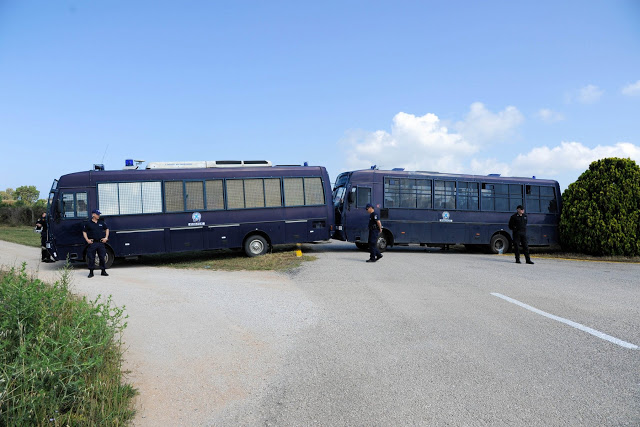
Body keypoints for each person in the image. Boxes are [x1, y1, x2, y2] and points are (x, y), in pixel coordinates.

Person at [82, 209, 110, 278]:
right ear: (93, 214)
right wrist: (87, 239)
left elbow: (107, 229)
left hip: (100, 243)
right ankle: (91, 272)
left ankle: (103, 271)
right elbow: (84, 232)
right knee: (91, 258)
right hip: (92, 243)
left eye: (99, 214)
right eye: (97, 214)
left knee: (102, 257)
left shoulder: (101, 222)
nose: (98, 215)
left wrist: (106, 238)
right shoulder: (88, 223)